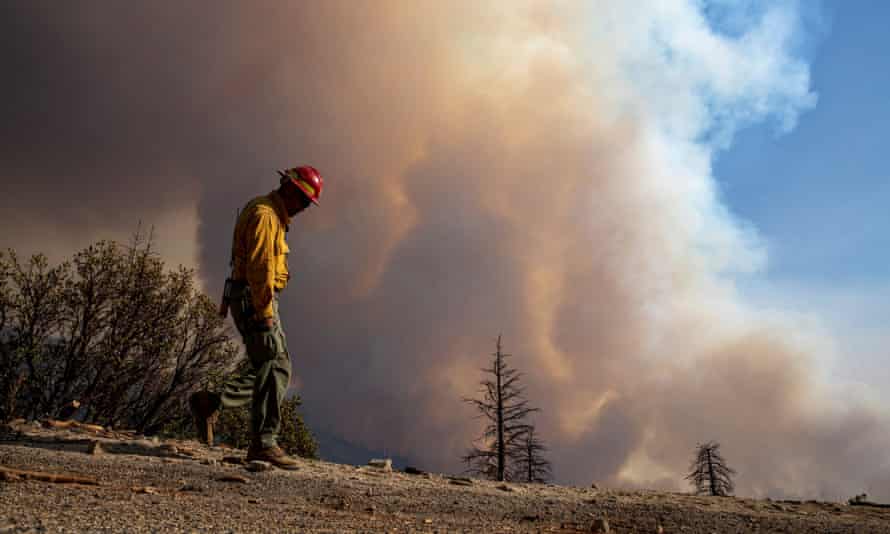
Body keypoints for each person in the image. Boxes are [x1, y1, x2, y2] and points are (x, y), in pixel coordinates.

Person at [190, 165, 323, 469]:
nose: (303, 208)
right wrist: (264, 312)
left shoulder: (270, 214)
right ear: (288, 188)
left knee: (272, 365)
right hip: (255, 299)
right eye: (302, 199)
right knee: (275, 366)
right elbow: (261, 269)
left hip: (253, 298)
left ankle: (212, 404)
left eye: (306, 203)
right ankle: (263, 443)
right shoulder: (265, 216)